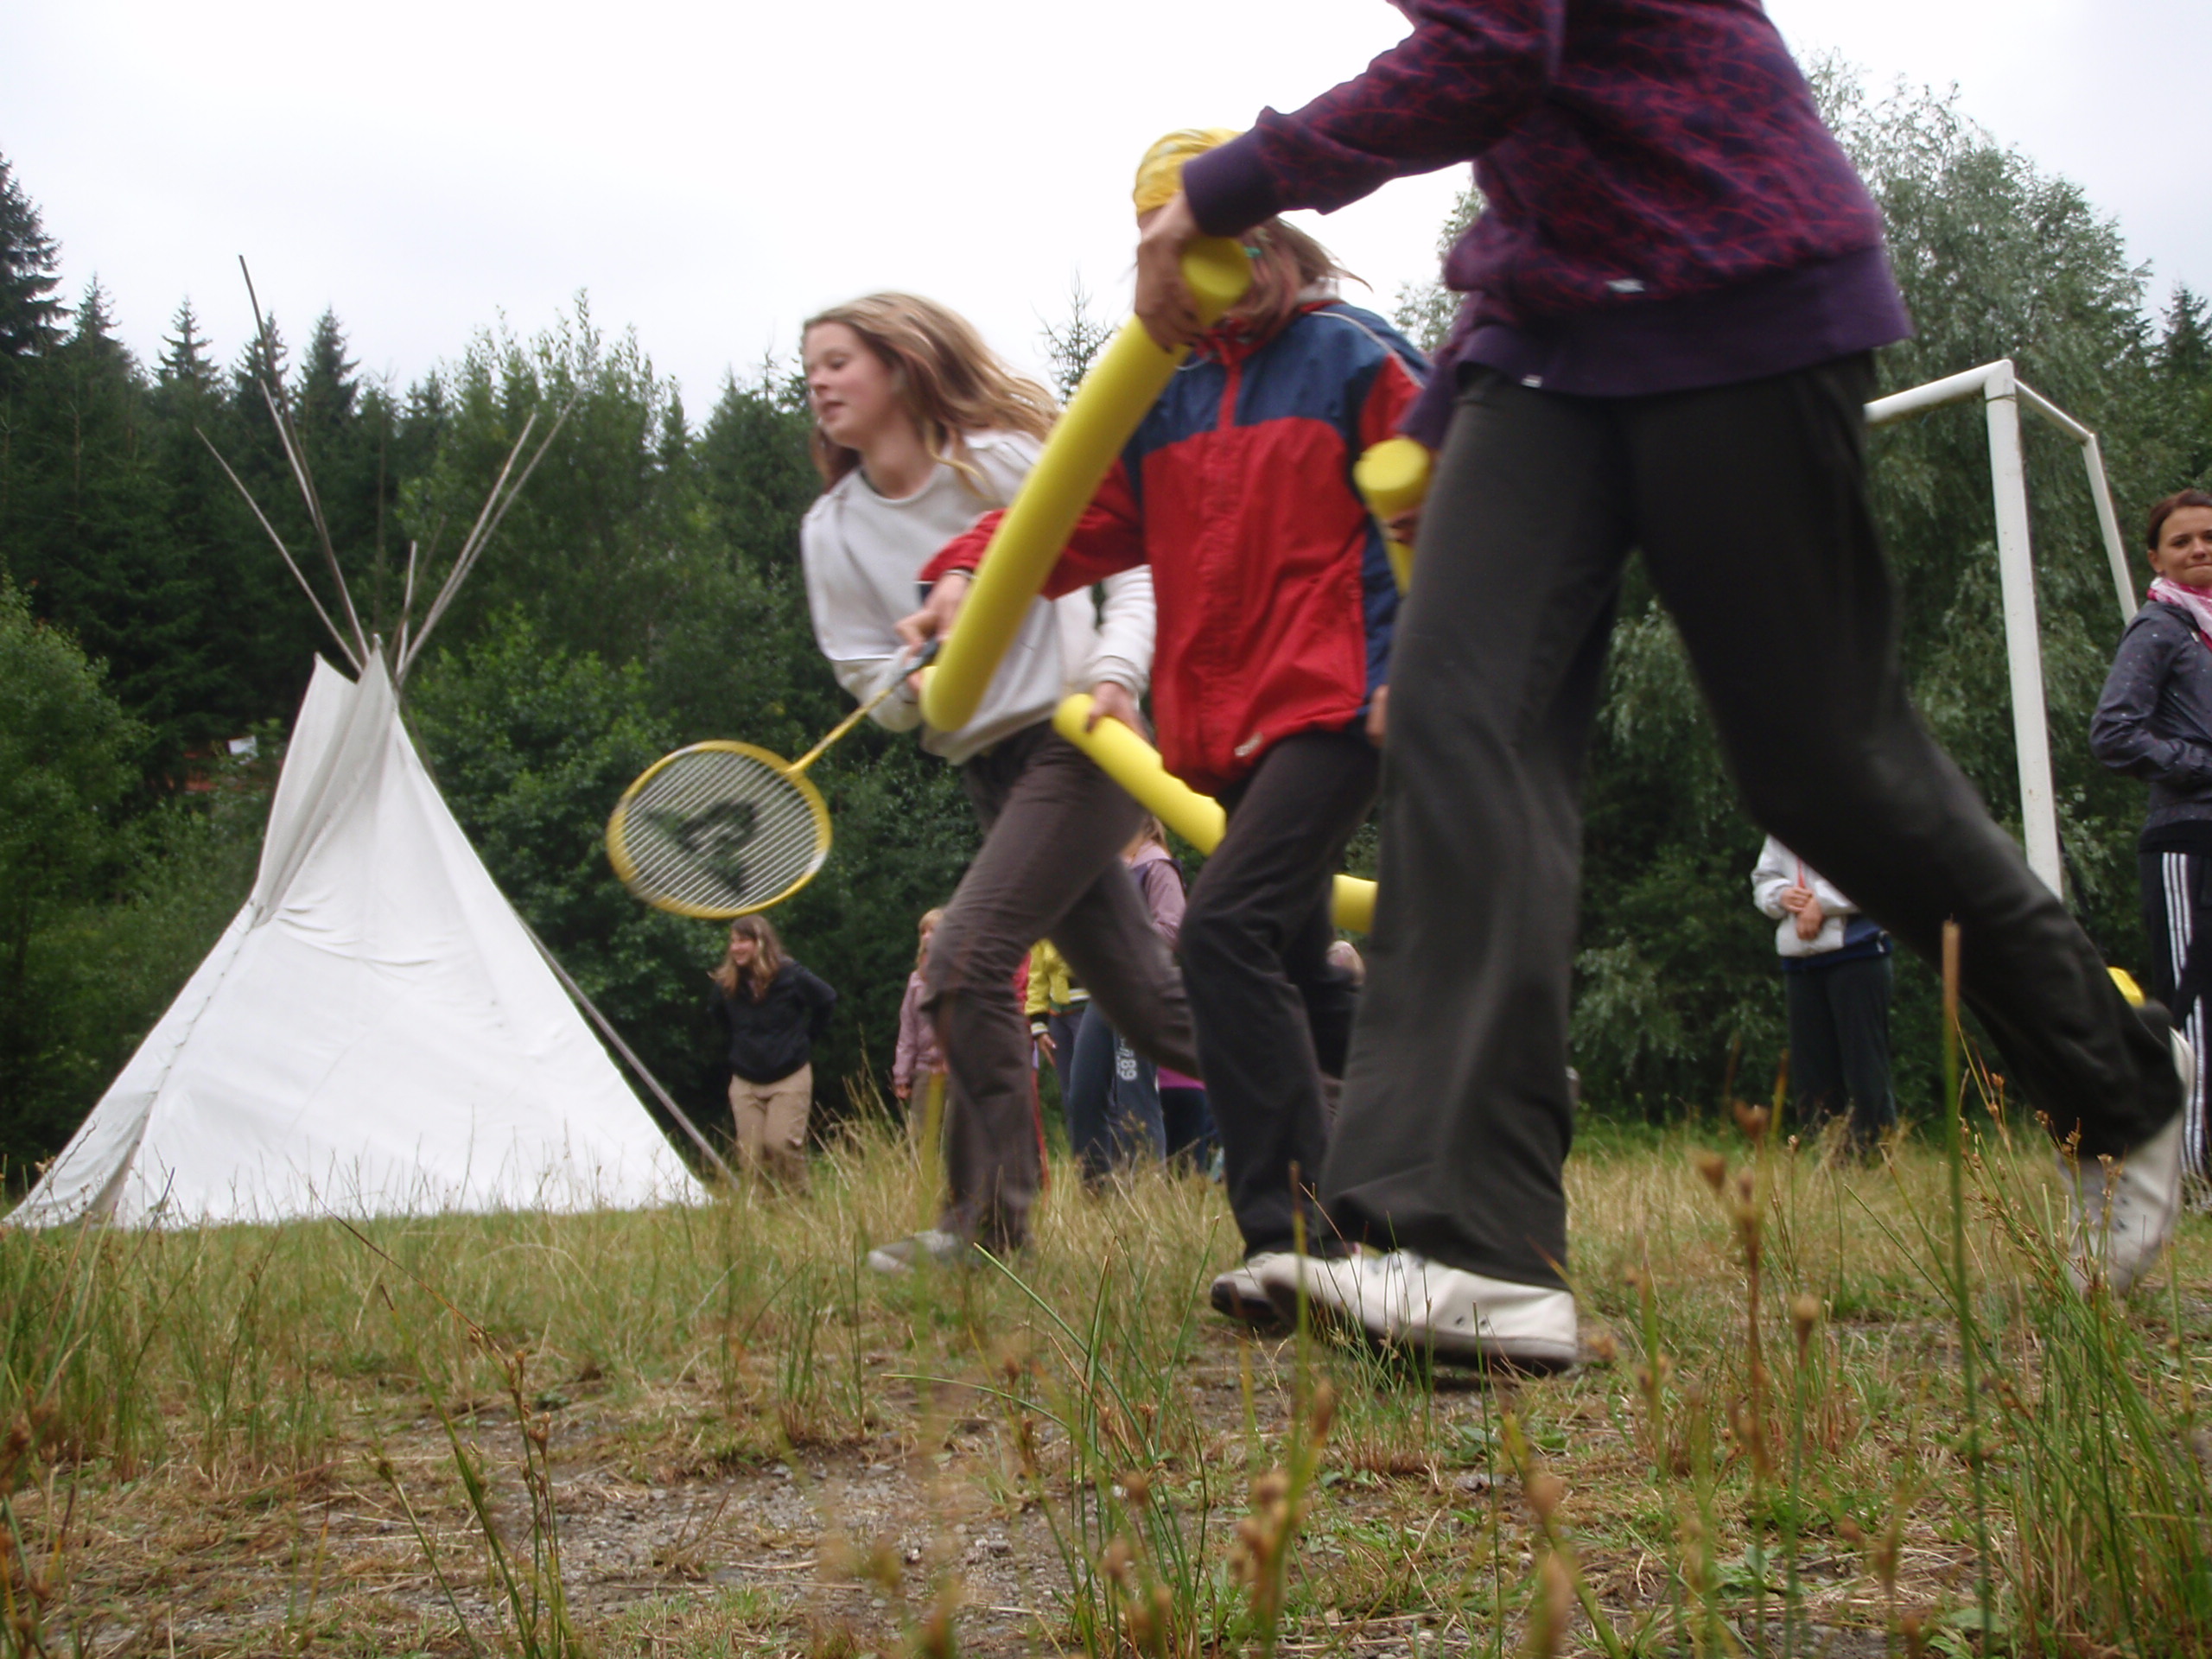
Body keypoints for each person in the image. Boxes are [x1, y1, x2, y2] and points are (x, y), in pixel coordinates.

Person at [1128, 7, 2190, 1355]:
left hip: (1735, 278)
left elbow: (1494, 46)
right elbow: (1540, 122)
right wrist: (1450, 408)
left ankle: (2119, 1078)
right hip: (1546, 337)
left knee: (1817, 765)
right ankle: (1477, 1248)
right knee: (1456, 720)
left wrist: (1222, 190)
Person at [908, 131, 1422, 1325]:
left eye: (1202, 236)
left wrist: (1415, 664)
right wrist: (961, 571)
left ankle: (1294, 1240)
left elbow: (1442, 505)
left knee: (1224, 935)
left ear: (1265, 233)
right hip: (1223, 734)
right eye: (1159, 246)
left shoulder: (1351, 357)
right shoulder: (1162, 396)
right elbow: (1065, 520)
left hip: (1338, 704)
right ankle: (1423, 1165)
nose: (1187, 263)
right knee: (1297, 964)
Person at [796, 292, 1202, 1271]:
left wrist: (1119, 672)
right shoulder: (832, 530)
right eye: (809, 368)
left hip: (1078, 743)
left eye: (839, 360)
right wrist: (912, 691)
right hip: (988, 769)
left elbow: (1134, 562)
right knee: (1157, 1011)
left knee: (964, 961)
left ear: (900, 364)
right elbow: (867, 674)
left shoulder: (1002, 461)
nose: (819, 382)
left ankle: (984, 1229)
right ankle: (1358, 1103)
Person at [2091, 489, 2212, 1198]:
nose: (2200, 549)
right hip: (2186, 840)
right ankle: (2191, 1175)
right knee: (2192, 1004)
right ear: (2156, 559)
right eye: (2182, 541)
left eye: (2210, 537)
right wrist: (2200, 765)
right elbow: (2113, 732)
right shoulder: (2160, 628)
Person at [1751, 837, 1896, 1152]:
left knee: (1865, 1069)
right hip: (1800, 961)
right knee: (1812, 1076)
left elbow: (1876, 871)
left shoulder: (1859, 814)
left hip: (1858, 954)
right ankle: (1826, 1162)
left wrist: (1822, 902)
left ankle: (1875, 1159)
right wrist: (1781, 895)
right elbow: (1763, 879)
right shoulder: (1782, 821)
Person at [710, 915, 836, 1186]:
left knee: (780, 1146)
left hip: (789, 1075)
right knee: (751, 1155)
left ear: (761, 943)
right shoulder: (727, 984)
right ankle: (765, 1209)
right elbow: (718, 1017)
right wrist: (740, 1045)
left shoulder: (790, 974)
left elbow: (826, 999)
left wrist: (805, 1040)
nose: (736, 948)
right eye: (733, 941)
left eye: (743, 941)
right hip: (746, 1079)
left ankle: (798, 1203)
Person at [893, 908, 947, 1123]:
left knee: (955, 1135)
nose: (926, 937)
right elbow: (907, 1030)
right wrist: (902, 1075)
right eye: (923, 932)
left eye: (932, 931)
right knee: (921, 1133)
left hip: (957, 1070)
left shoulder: (962, 974)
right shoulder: (916, 980)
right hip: (924, 1067)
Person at [1025, 938, 1090, 1108]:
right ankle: (1074, 1126)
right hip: (1058, 1016)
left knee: (1091, 1086)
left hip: (1090, 1011)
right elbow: (1037, 978)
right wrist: (1039, 1026)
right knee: (1069, 1092)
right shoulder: (1044, 930)